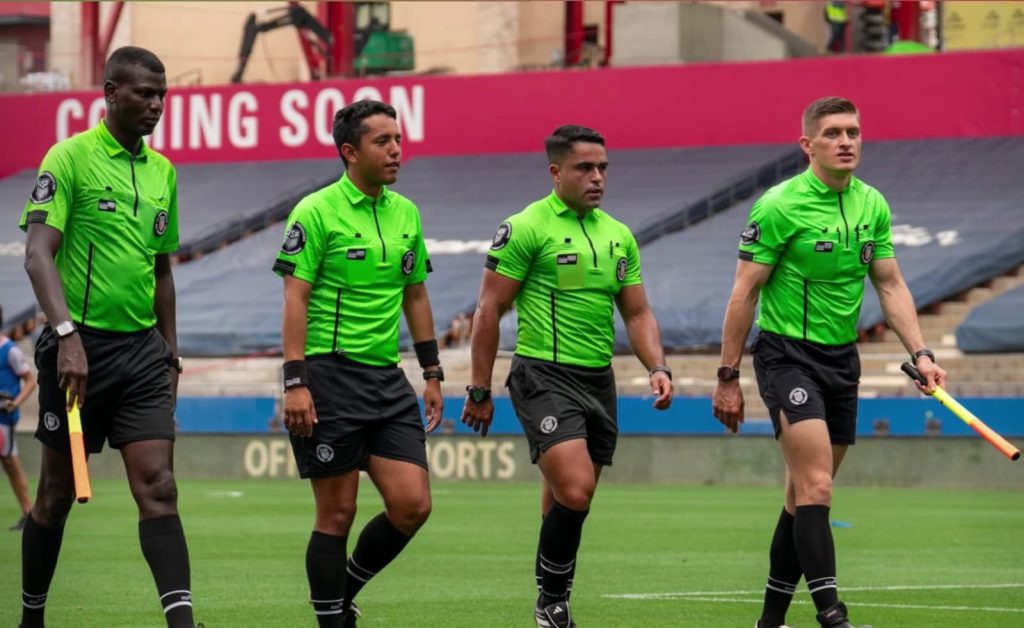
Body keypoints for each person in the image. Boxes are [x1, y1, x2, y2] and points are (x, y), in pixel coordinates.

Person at [712, 96, 946, 628]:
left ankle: (769, 622)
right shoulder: (778, 205)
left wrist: (922, 353)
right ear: (808, 144)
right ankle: (832, 615)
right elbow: (744, 294)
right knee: (817, 487)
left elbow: (890, 284)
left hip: (842, 359)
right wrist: (727, 376)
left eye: (853, 132)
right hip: (786, 355)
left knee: (802, 498)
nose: (846, 142)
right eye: (834, 133)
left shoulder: (872, 204)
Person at [461, 125, 674, 628]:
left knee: (568, 499)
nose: (597, 177)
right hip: (542, 374)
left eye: (603, 167)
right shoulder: (525, 227)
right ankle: (552, 603)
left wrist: (657, 366)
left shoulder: (618, 234)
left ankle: (550, 601)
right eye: (585, 168)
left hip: (598, 380)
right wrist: (479, 388)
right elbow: (489, 310)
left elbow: (637, 312)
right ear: (556, 172)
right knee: (575, 490)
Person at [19, 46, 195, 628]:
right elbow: (37, 254)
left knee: (159, 487)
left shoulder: (164, 172)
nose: (157, 104)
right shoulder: (69, 158)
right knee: (55, 496)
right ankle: (31, 618)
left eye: (162, 95)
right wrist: (66, 336)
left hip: (142, 353)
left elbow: (161, 270)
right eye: (145, 93)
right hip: (77, 352)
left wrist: (170, 353)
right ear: (112, 93)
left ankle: (181, 623)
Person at [273, 99, 444, 628]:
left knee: (413, 505)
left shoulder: (406, 212)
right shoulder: (315, 211)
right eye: (382, 141)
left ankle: (340, 592)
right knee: (337, 513)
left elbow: (415, 294)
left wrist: (432, 373)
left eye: (398, 139)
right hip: (328, 377)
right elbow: (295, 298)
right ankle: (332, 618)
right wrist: (295, 381)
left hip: (387, 380)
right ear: (350, 151)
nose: (396, 150)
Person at [0, 306, 37, 530]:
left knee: (10, 463)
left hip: (4, 417)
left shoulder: (10, 350)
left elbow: (30, 381)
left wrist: (15, 401)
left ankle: (28, 512)